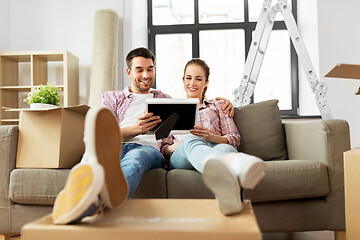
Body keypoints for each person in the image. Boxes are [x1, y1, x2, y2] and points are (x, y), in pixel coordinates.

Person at [52, 47, 234, 224]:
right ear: (129, 72)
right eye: (139, 70)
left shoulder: (165, 100)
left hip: (147, 149)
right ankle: (77, 193)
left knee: (135, 158)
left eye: (150, 69)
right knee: (95, 151)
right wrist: (135, 129)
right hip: (113, 145)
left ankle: (97, 199)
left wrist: (223, 103)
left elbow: (168, 143)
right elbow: (101, 134)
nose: (146, 75)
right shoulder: (110, 98)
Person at [162, 58, 266, 215]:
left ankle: (229, 192)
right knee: (191, 138)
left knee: (226, 147)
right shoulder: (171, 109)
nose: (192, 83)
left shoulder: (218, 105)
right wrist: (181, 145)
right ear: (183, 80)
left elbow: (234, 138)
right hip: (182, 155)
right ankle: (238, 165)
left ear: (206, 82)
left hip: (216, 146)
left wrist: (211, 137)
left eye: (198, 79)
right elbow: (163, 147)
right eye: (188, 78)